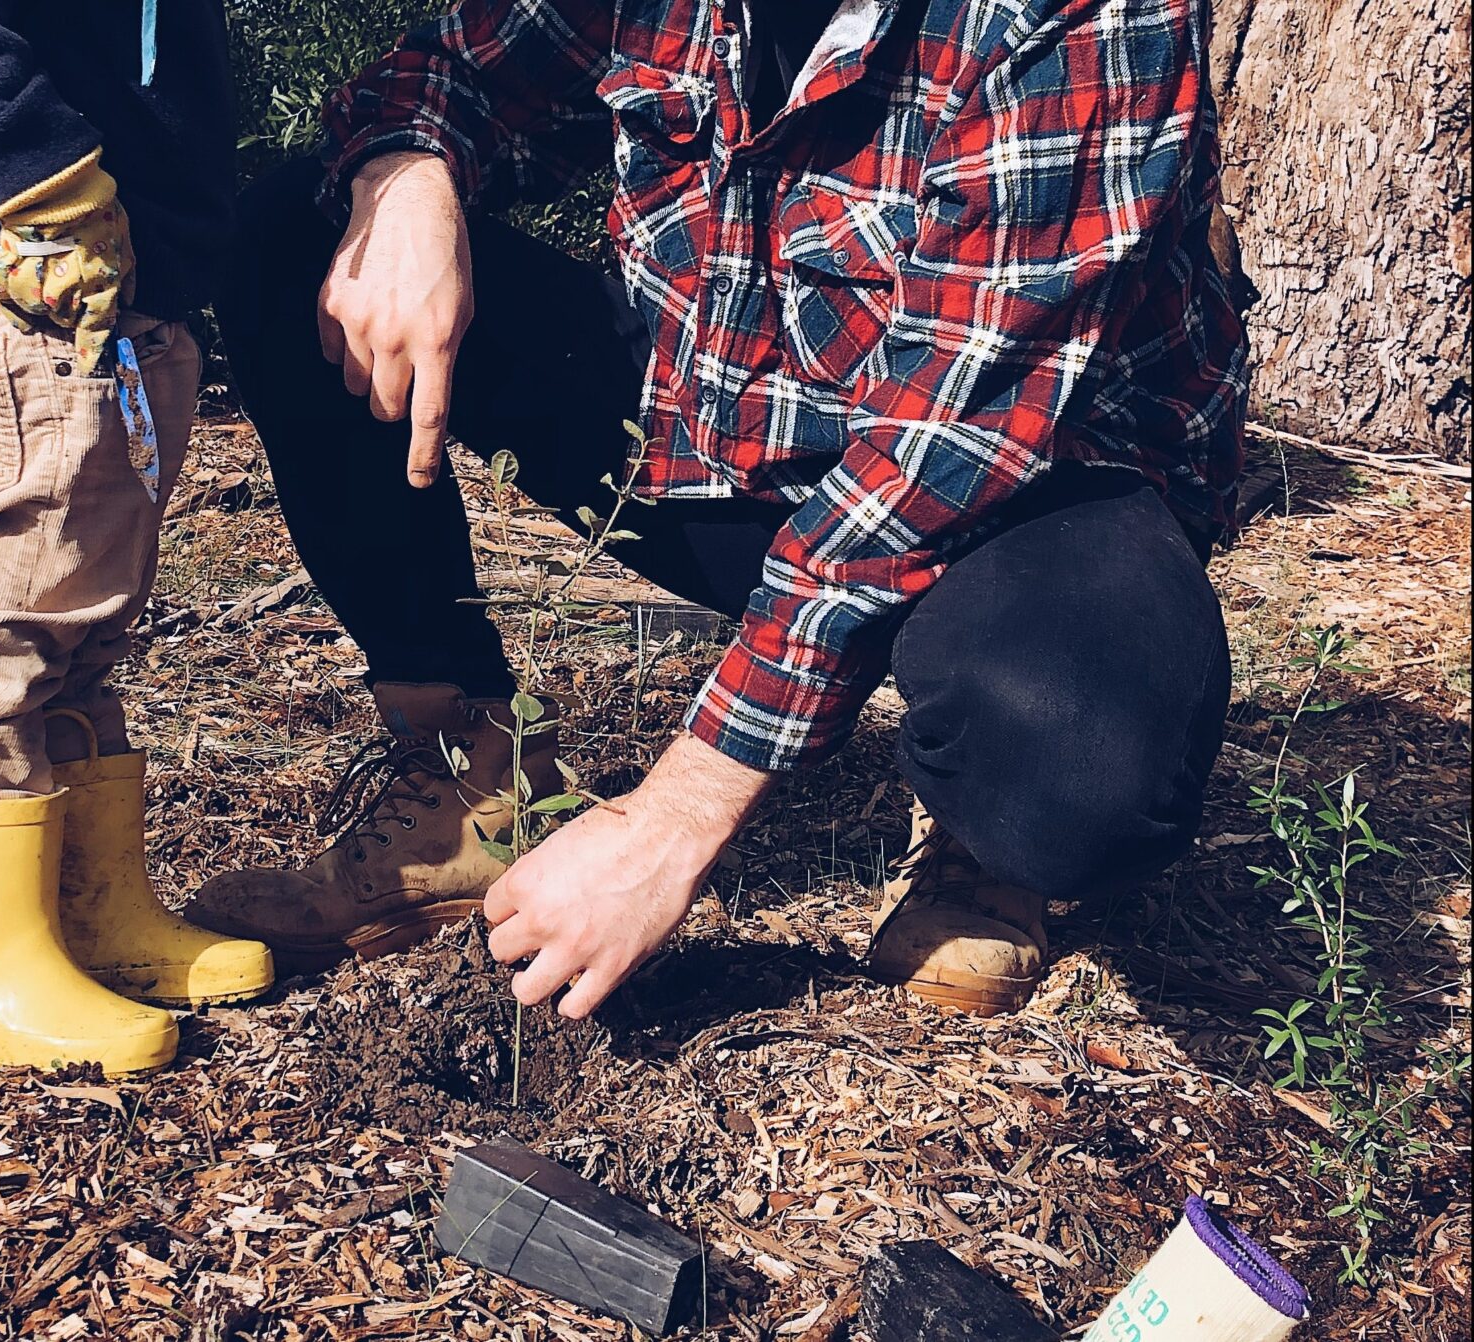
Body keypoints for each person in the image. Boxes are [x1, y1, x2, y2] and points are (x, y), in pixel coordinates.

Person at [199, 0, 1248, 1018]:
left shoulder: (1077, 16)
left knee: (1082, 772)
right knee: (306, 234)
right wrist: (412, 177)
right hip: (735, 435)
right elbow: (458, 69)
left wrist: (674, 819)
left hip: (1020, 487)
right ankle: (467, 774)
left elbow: (945, 449)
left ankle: (981, 838)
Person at [0, 0, 271, 1072]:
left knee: (88, 609)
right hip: (28, 271)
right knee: (10, 613)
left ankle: (87, 917)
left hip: (131, 287)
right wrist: (39, 177)